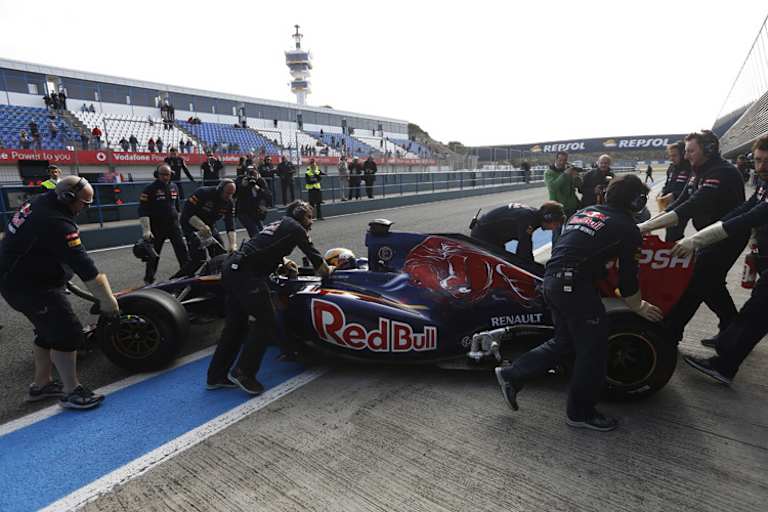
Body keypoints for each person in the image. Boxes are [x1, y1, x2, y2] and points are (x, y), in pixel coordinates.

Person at [495, 174, 663, 431]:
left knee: (565, 341)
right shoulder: (627, 228)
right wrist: (639, 306)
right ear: (637, 201)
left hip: (552, 280)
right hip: (573, 286)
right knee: (593, 349)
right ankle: (580, 412)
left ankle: (512, 375)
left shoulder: (586, 211)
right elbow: (628, 280)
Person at [0, 176, 119, 409]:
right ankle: (72, 392)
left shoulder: (41, 201)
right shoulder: (54, 221)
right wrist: (108, 301)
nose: (86, 209)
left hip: (22, 279)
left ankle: (41, 385)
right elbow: (84, 266)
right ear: (67, 198)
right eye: (84, 204)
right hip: (30, 286)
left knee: (47, 333)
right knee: (68, 334)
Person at [206, 200, 332, 393]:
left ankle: (215, 376)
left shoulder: (281, 223)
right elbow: (321, 266)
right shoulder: (296, 228)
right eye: (309, 216)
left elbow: (263, 246)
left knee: (235, 327)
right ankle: (243, 372)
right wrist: (334, 271)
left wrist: (283, 262)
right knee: (267, 321)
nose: (311, 221)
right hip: (247, 276)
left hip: (232, 270)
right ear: (299, 214)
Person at [638, 130, 747, 347]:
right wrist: (647, 225)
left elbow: (693, 205)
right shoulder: (699, 171)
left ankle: (669, 334)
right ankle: (733, 328)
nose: (686, 156)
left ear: (708, 149)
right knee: (712, 284)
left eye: (691, 151)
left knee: (696, 282)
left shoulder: (721, 173)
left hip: (727, 237)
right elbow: (680, 202)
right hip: (709, 235)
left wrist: (646, 226)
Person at [674, 136, 768, 384]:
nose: (761, 167)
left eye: (766, 161)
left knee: (756, 312)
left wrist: (696, 240)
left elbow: (749, 218)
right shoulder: (763, 183)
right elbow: (744, 209)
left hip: (735, 243)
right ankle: (726, 353)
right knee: (756, 313)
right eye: (758, 161)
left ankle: (724, 363)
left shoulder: (722, 173)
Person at [138, 164, 190, 285]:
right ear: (157, 174)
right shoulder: (149, 189)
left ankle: (187, 274)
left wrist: (179, 220)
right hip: (157, 227)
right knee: (154, 255)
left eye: (168, 174)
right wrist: (146, 229)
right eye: (163, 174)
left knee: (182, 251)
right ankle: (149, 279)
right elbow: (142, 209)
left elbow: (176, 206)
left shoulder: (174, 187)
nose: (166, 177)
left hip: (173, 225)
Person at [470, 201, 565, 261]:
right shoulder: (528, 219)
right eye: (556, 224)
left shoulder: (533, 215)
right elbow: (524, 249)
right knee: (497, 264)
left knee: (504, 261)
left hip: (492, 235)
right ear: (548, 218)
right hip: (483, 235)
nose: (555, 228)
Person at [180, 180, 237, 274]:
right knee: (199, 259)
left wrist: (232, 244)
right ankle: (177, 281)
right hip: (191, 224)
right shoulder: (203, 193)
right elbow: (187, 213)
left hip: (209, 226)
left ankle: (210, 278)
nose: (229, 196)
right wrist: (201, 226)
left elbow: (230, 223)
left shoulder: (229, 203)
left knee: (221, 255)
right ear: (220, 189)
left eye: (232, 194)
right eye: (227, 193)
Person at [657, 141, 692, 242]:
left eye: (674, 155)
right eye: (670, 155)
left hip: (682, 206)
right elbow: (667, 184)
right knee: (670, 233)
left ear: (682, 154)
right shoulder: (671, 168)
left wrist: (674, 195)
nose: (671, 158)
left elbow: (691, 188)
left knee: (673, 235)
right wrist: (662, 193)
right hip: (669, 205)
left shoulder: (690, 167)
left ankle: (676, 253)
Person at [544, 151, 581, 244]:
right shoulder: (549, 172)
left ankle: (568, 253)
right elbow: (553, 187)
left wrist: (576, 177)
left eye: (564, 160)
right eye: (560, 160)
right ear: (556, 159)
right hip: (557, 208)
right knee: (556, 234)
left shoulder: (569, 171)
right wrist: (565, 174)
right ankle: (555, 255)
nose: (562, 162)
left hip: (571, 207)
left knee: (571, 233)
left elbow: (578, 185)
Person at [235, 165, 272, 238]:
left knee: (262, 233)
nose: (252, 177)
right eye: (250, 174)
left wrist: (258, 189)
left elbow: (268, 196)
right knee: (254, 232)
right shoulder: (241, 179)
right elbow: (235, 194)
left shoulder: (261, 181)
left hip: (255, 212)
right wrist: (243, 185)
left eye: (254, 174)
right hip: (244, 211)